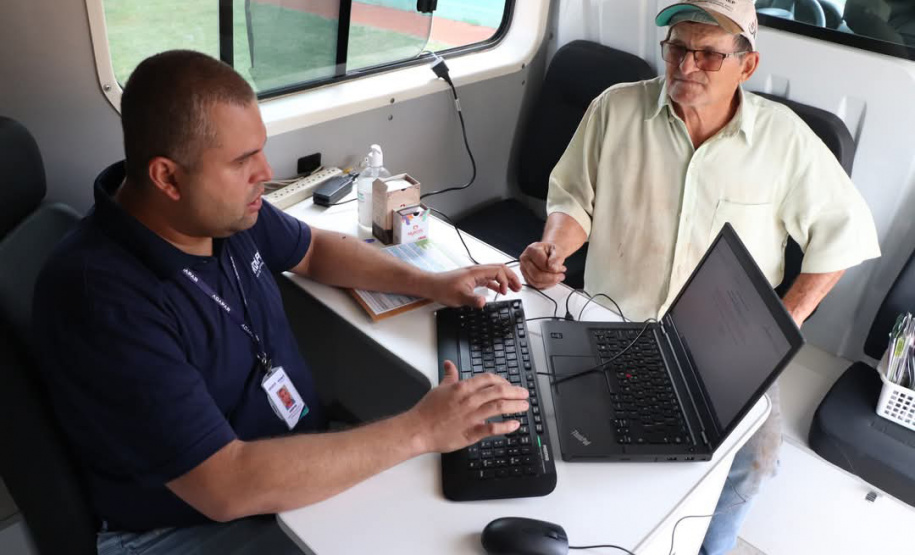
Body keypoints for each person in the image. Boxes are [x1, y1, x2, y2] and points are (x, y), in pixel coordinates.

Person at [32, 50, 527, 555]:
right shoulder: (102, 300)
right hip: (185, 525)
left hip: (274, 462)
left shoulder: (218, 215)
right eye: (242, 161)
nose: (265, 173)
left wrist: (432, 282)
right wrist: (421, 429)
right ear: (167, 178)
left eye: (260, 152)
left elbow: (313, 249)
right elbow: (224, 486)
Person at [518, 1, 881, 553]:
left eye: (709, 55)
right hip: (614, 317)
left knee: (755, 458)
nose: (687, 66)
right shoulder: (614, 109)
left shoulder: (784, 139)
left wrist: (787, 317)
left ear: (747, 65)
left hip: (727, 348)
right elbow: (573, 198)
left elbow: (845, 234)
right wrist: (553, 248)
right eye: (677, 49)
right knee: (586, 444)